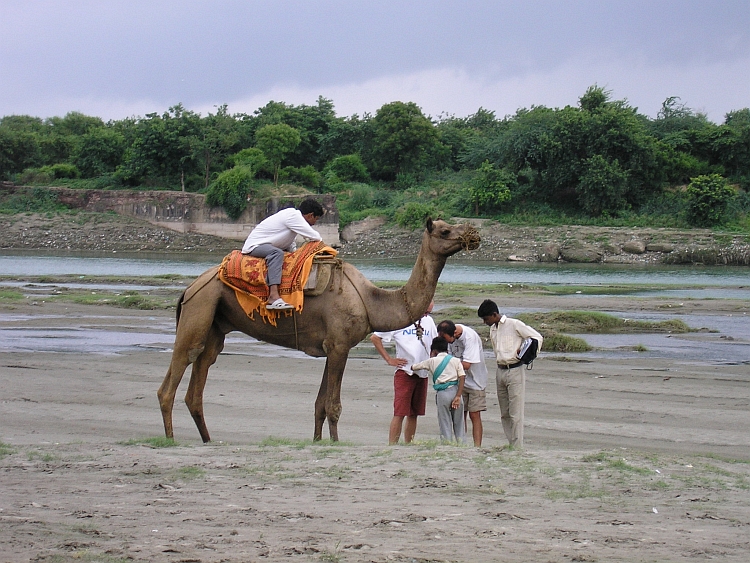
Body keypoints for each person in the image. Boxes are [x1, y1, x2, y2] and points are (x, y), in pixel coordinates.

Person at [477, 299, 543, 449]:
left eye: (486, 319)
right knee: (505, 412)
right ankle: (511, 443)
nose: (485, 322)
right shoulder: (493, 329)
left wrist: (527, 354)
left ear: (494, 314)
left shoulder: (514, 324)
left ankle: (517, 446)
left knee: (516, 412)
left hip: (515, 370)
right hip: (500, 370)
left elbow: (536, 337)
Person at [370, 301, 437, 445]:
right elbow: (375, 338)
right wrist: (389, 359)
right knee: (400, 412)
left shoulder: (429, 321)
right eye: (425, 311)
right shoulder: (400, 319)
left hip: (422, 371)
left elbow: (435, 344)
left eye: (428, 312)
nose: (426, 315)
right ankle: (392, 446)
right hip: (404, 371)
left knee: (414, 413)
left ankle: (409, 444)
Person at [241, 199, 324, 310]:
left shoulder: (293, 219)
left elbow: (289, 243)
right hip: (255, 246)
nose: (314, 223)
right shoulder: (294, 216)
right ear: (310, 215)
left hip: (267, 245)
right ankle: (273, 297)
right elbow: (315, 237)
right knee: (277, 253)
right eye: (316, 219)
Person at [436, 319, 489, 447]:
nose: (444, 340)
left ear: (454, 333)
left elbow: (466, 365)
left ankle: (477, 446)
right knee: (460, 415)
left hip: (476, 381)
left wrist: (445, 362)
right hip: (459, 381)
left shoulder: (470, 337)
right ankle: (462, 444)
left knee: (474, 414)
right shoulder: (448, 340)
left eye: (444, 337)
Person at [411, 336, 465, 443]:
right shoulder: (455, 360)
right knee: (459, 421)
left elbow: (414, 367)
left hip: (442, 394)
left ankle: (447, 443)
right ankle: (462, 443)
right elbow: (462, 377)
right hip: (456, 391)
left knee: (444, 420)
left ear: (434, 351)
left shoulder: (431, 361)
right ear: (447, 349)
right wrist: (458, 396)